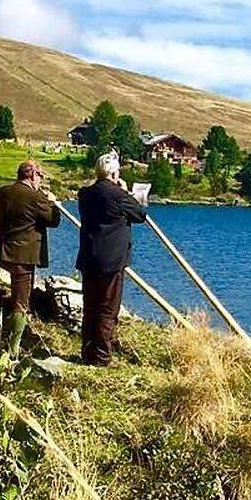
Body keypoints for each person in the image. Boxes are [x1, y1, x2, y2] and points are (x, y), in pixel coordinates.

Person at [75, 152, 146, 366]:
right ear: (114, 173)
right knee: (108, 308)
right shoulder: (118, 195)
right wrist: (124, 191)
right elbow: (140, 215)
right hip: (112, 259)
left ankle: (87, 352)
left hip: (89, 256)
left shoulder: (85, 194)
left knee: (90, 306)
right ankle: (102, 357)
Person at [0, 159, 61, 356]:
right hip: (22, 256)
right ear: (32, 175)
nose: (41, 180)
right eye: (40, 176)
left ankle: (1, 329)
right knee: (22, 301)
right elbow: (53, 221)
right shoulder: (35, 197)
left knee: (16, 290)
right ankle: (12, 349)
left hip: (0, 250)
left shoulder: (2, 192)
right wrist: (53, 203)